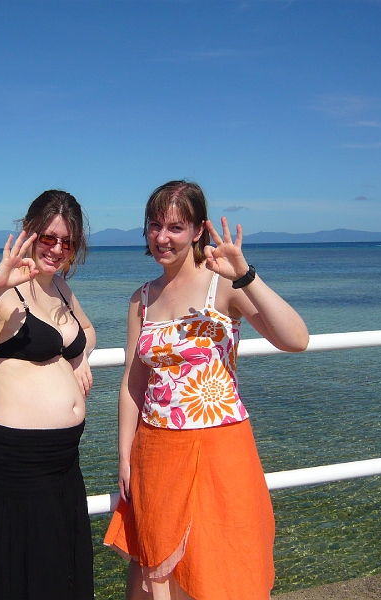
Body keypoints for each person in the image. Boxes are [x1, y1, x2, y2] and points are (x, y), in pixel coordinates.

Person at [103, 180, 309, 600]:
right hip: (156, 449)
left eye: (175, 227)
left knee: (224, 562)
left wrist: (247, 274)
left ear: (198, 230)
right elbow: (133, 381)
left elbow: (295, 339)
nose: (162, 237)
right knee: (157, 571)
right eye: (154, 226)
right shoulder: (141, 299)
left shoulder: (225, 283)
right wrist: (125, 453)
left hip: (220, 446)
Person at [0, 190, 96, 600]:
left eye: (68, 242)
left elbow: (86, 331)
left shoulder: (60, 289)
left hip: (64, 462)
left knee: (57, 577)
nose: (57, 249)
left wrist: (78, 358)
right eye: (48, 237)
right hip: (17, 465)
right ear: (28, 232)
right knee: (14, 577)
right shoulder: (2, 290)